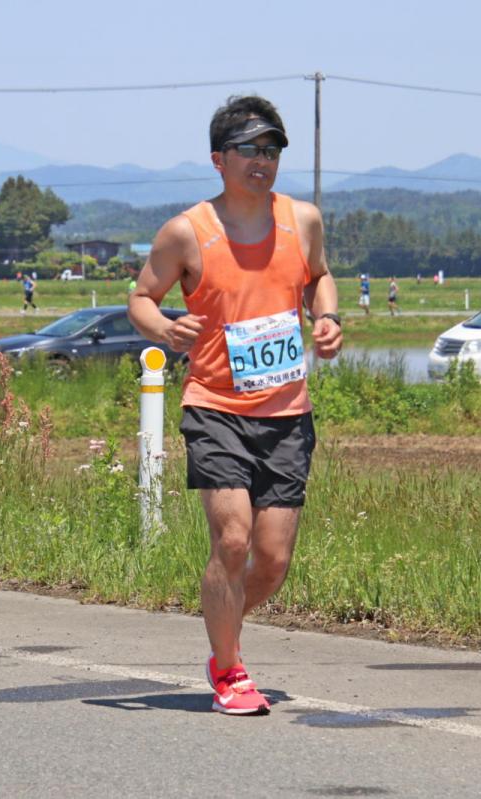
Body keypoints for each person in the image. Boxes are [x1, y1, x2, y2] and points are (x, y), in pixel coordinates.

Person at [128, 95, 341, 716]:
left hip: (286, 413)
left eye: (272, 150)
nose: (263, 160)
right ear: (219, 159)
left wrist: (325, 317)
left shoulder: (302, 221)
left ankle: (221, 623)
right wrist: (164, 329)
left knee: (270, 561)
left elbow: (319, 276)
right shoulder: (187, 232)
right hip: (215, 406)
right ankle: (228, 668)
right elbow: (140, 297)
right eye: (250, 148)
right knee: (233, 541)